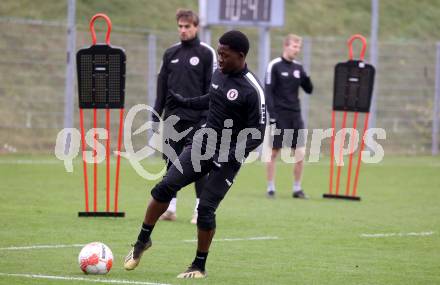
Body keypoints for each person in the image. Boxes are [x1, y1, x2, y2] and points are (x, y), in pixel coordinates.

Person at [124, 30, 266, 278]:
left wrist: (232, 155)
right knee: (164, 188)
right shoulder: (219, 74)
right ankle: (142, 241)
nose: (219, 59)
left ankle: (199, 265)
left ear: (241, 56)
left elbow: (257, 134)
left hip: (228, 157)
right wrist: (185, 102)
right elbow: (212, 99)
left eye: (225, 55)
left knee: (205, 210)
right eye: (218, 53)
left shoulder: (252, 90)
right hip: (203, 144)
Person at [152, 9, 217, 223]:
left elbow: (212, 87)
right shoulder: (170, 53)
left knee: (198, 165)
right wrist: (156, 113)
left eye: (187, 26)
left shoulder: (207, 53)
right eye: (180, 26)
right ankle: (169, 208)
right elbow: (162, 85)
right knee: (171, 163)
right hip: (173, 118)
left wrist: (208, 116)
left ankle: (200, 209)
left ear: (196, 27)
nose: (183, 30)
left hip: (199, 119)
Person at [264, 34, 313, 199]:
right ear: (286, 46)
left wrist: (307, 77)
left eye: (299, 47)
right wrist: (272, 115)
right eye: (294, 46)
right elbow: (268, 91)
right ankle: (271, 187)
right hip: (279, 115)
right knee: (273, 153)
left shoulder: (299, 68)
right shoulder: (274, 66)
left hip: (295, 115)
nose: (296, 50)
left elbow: (309, 89)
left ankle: (297, 188)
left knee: (300, 153)